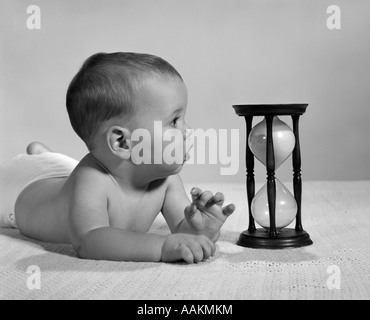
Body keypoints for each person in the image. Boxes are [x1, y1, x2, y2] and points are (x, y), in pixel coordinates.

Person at [0, 52, 235, 264]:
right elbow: (90, 239)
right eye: (174, 121)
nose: (189, 130)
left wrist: (201, 230)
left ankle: (42, 153)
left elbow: (182, 230)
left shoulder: (165, 179)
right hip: (18, 188)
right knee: (59, 168)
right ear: (122, 142)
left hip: (60, 173)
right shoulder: (91, 179)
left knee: (60, 165)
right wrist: (160, 246)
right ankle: (39, 155)